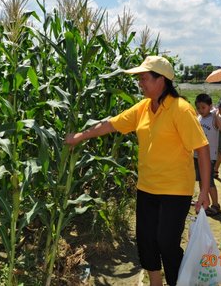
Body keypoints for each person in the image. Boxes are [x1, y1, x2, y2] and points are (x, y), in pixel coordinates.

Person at [65, 55, 211, 286]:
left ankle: (177, 282)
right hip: (147, 187)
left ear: (161, 80)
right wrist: (80, 136)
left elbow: (202, 149)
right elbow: (111, 124)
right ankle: (155, 282)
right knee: (146, 241)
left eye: (144, 78)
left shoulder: (181, 110)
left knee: (167, 242)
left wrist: (204, 191)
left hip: (175, 190)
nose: (140, 83)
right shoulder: (143, 107)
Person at [194, 93, 221, 216]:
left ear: (210, 106)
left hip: (210, 156)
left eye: (203, 107)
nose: (201, 110)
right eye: (198, 108)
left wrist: (217, 116)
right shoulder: (199, 118)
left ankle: (216, 205)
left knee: (209, 182)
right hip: (197, 155)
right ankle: (204, 200)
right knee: (201, 180)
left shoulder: (214, 118)